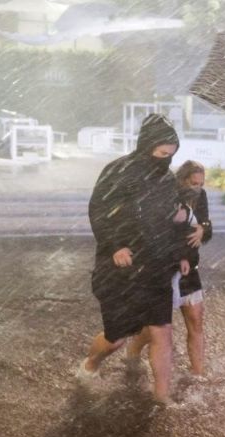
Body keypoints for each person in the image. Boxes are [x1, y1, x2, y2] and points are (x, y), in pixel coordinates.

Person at [79, 114, 190, 405]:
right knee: (116, 338)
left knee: (162, 331)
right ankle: (90, 364)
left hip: (156, 267)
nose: (166, 160)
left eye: (171, 155)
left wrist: (182, 242)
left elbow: (172, 220)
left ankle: (162, 398)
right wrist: (115, 246)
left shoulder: (167, 179)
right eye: (162, 154)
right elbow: (98, 211)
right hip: (120, 270)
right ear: (147, 147)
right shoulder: (118, 171)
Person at [126, 160, 212, 377]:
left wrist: (203, 229)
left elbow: (206, 225)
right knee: (158, 325)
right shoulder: (167, 197)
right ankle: (133, 350)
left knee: (196, 319)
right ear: (182, 180)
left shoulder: (200, 197)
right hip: (165, 267)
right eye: (193, 183)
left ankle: (198, 374)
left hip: (190, 267)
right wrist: (178, 256)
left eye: (201, 184)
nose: (198, 188)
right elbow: (160, 236)